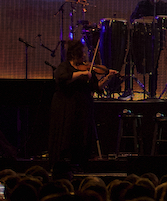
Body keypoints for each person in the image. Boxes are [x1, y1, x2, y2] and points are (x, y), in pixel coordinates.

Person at [47, 39, 117, 167]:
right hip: (66, 108)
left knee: (81, 136)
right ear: (74, 54)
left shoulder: (87, 69)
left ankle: (80, 163)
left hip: (82, 108)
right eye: (82, 53)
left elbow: (96, 87)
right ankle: (63, 163)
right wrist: (81, 73)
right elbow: (62, 78)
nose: (84, 55)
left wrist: (108, 77)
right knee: (67, 135)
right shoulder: (65, 67)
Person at [129, 0, 167, 98]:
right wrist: (142, 20)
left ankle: (152, 93)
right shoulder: (142, 5)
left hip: (157, 39)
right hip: (141, 39)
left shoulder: (164, 6)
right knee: (132, 61)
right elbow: (132, 19)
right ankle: (129, 89)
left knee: (154, 67)